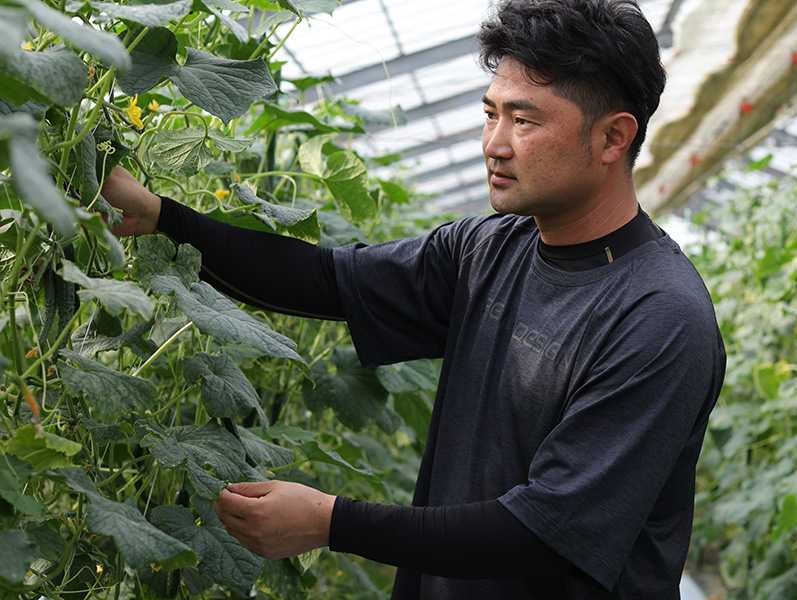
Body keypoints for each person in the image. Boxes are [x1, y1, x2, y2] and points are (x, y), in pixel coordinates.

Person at [100, 0, 726, 597]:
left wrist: (330, 521)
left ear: (614, 138)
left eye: (525, 120)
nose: (494, 144)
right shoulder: (489, 249)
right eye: (491, 114)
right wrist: (162, 216)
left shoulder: (660, 316)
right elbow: (324, 280)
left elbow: (543, 531)